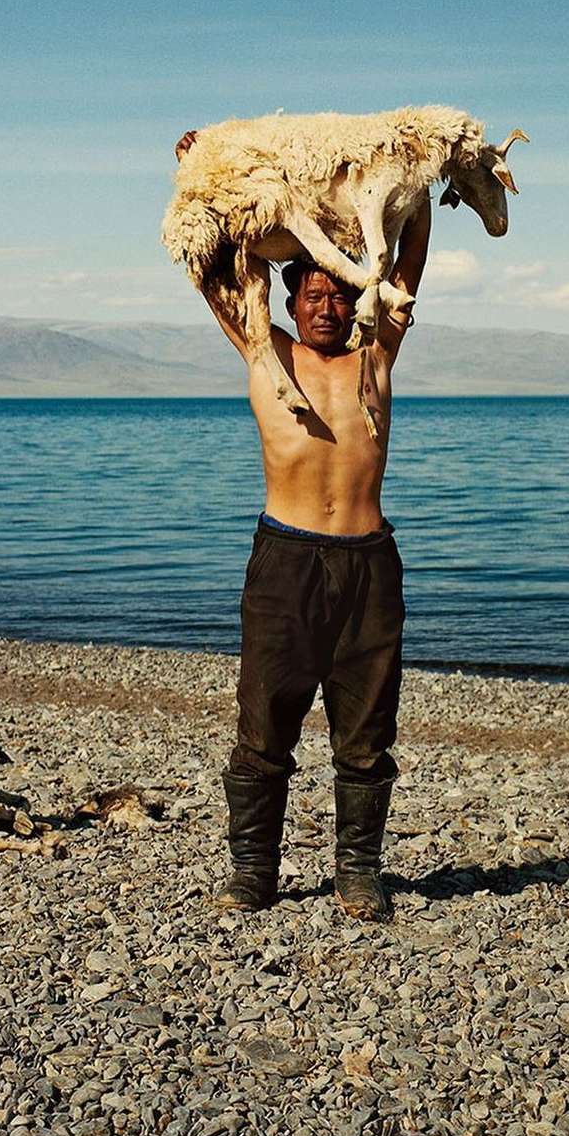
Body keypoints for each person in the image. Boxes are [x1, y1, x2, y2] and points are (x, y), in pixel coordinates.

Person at [173, 130, 431, 921]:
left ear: (354, 298)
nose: (326, 306)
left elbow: (406, 262)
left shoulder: (374, 357)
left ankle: (357, 873)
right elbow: (212, 272)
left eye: (337, 294)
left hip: (367, 565)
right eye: (312, 295)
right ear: (289, 304)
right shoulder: (264, 355)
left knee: (365, 733)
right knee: (264, 728)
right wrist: (196, 175)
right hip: (284, 562)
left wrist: (420, 183)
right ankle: (253, 873)